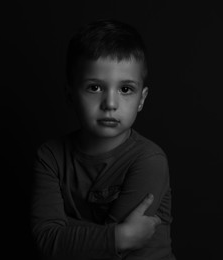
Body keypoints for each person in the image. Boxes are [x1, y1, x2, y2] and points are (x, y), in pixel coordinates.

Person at [31, 19, 175, 260]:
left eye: (126, 89)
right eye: (95, 88)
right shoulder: (51, 157)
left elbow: (105, 255)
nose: (110, 104)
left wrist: (64, 230)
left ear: (141, 99)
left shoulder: (149, 160)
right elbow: (45, 240)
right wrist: (120, 237)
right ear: (70, 95)